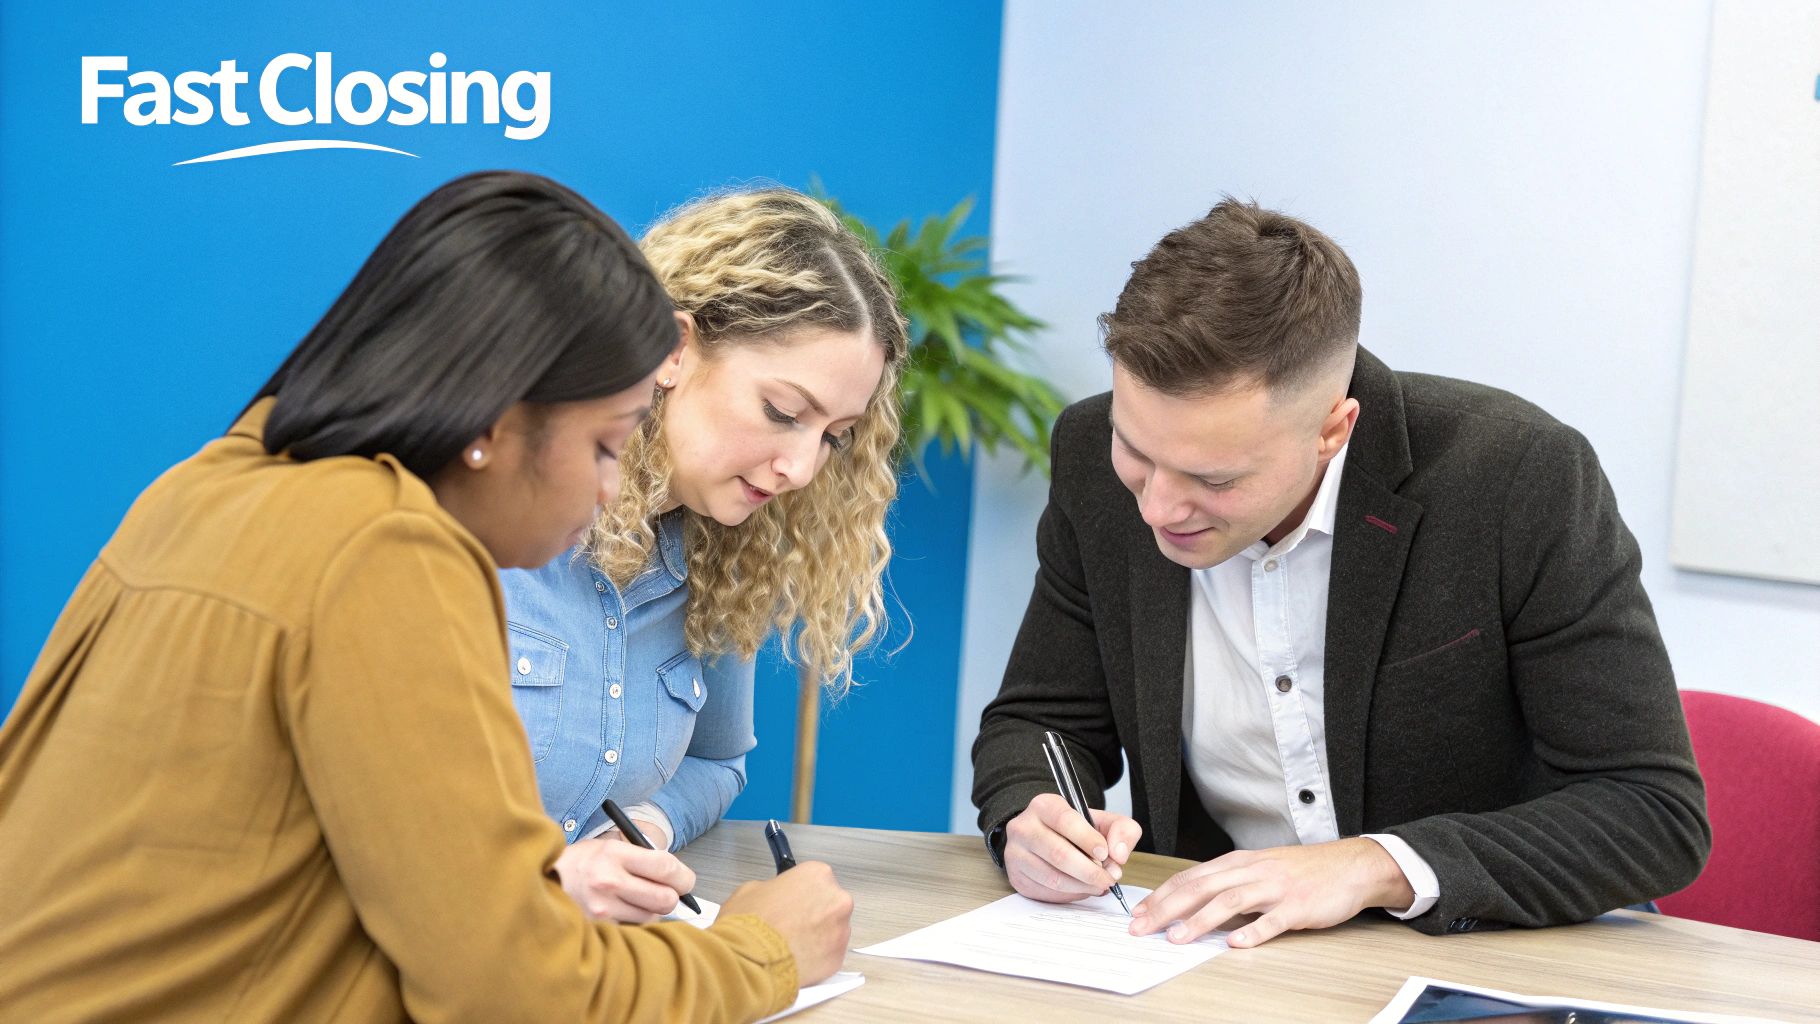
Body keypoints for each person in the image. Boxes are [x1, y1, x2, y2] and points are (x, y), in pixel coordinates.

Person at [0, 171, 852, 1023]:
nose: (608, 491)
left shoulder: (207, 486)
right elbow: (516, 990)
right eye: (605, 444)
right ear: (492, 422)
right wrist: (761, 953)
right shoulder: (387, 551)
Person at [970, 198, 1709, 948]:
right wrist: (1033, 815)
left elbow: (1649, 809)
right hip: (1230, 962)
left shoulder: (1518, 479)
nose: (1159, 506)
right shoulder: (1093, 461)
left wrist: (1369, 866)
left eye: (1214, 479)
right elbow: (1043, 719)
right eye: (1138, 452)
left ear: (1333, 428)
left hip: (1489, 953)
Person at [499, 187, 907, 922]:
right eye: (783, 413)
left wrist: (649, 828)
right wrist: (553, 882)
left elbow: (715, 762)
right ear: (674, 349)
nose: (802, 469)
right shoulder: (489, 521)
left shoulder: (718, 555)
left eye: (833, 436)